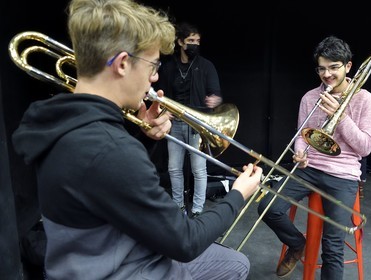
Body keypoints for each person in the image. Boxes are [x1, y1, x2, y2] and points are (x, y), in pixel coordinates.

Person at [11, 0, 263, 279]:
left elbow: (107, 184)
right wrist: (238, 194)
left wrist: (142, 137)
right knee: (236, 264)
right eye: (153, 65)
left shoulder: (57, 123)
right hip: (123, 268)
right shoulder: (111, 149)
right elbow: (186, 242)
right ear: (121, 64)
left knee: (230, 261)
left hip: (85, 257)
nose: (154, 77)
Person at [258, 35, 371, 279]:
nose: (327, 75)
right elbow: (302, 134)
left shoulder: (364, 98)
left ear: (348, 66)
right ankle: (297, 244)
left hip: (343, 174)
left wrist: (341, 117)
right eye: (322, 68)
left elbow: (365, 148)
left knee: (332, 247)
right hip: (310, 167)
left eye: (334, 68)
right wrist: (300, 150)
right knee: (268, 207)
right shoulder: (310, 97)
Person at [155, 22, 223, 217]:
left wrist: (215, 100)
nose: (195, 44)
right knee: (174, 168)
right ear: (180, 42)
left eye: (197, 41)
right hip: (174, 123)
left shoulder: (206, 66)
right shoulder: (168, 67)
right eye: (190, 41)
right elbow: (160, 96)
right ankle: (179, 207)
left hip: (197, 125)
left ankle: (198, 209)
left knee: (198, 170)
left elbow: (216, 94)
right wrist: (164, 113)